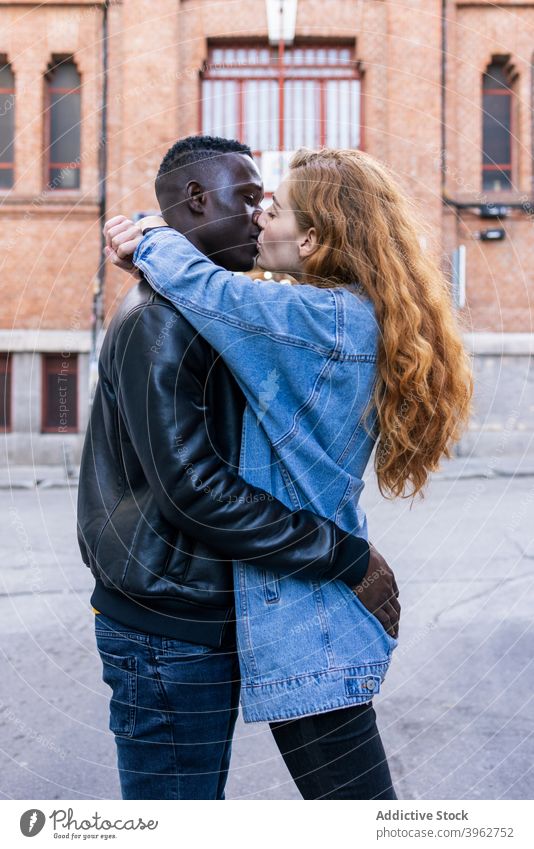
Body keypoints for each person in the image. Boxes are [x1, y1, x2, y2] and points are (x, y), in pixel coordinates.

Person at [105, 146, 473, 800]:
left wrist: (146, 235)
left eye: (268, 207)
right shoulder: (340, 311)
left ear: (310, 237)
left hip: (312, 618)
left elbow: (212, 288)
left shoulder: (316, 321)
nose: (256, 219)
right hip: (314, 608)